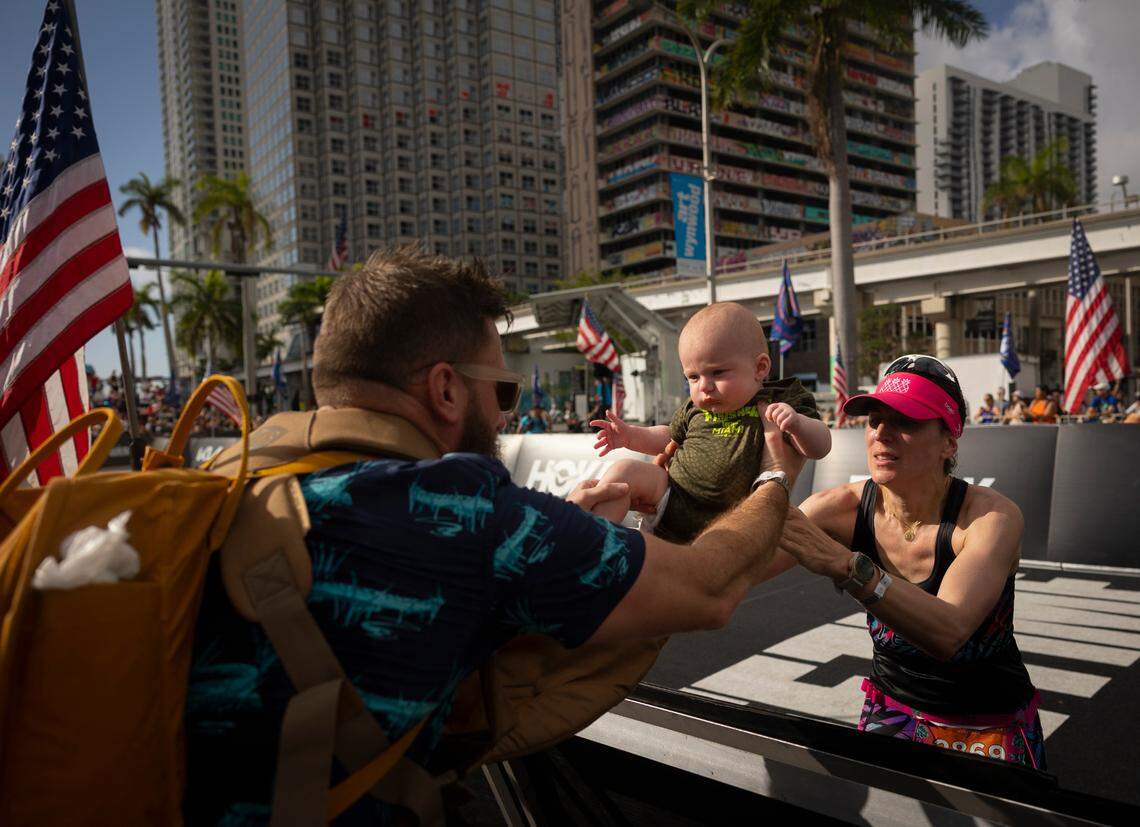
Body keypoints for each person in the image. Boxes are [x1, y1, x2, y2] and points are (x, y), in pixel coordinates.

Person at [184, 248, 805, 824]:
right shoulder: (465, 512)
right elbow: (708, 590)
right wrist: (777, 476)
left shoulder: (221, 478)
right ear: (447, 389)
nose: (506, 413)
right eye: (503, 389)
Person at [771, 354, 1046, 770]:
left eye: (907, 421)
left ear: (949, 442)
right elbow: (738, 568)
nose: (882, 433)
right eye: (874, 419)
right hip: (891, 709)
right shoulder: (836, 508)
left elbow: (947, 630)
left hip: (989, 722)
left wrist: (848, 566)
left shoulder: (991, 517)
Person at [588, 302, 831, 542]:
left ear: (760, 367)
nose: (704, 386)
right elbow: (669, 438)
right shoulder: (694, 408)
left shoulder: (780, 399)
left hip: (733, 519)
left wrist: (798, 424)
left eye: (718, 372)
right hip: (673, 497)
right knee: (624, 471)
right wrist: (631, 436)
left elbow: (821, 446)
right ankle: (596, 548)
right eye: (693, 377)